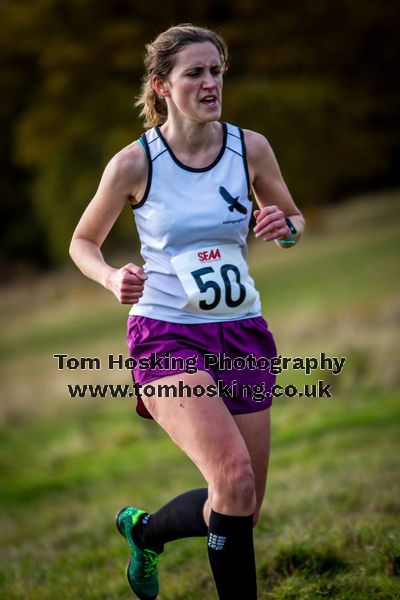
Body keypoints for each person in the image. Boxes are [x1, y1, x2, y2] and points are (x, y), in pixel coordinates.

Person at [70, 23, 304, 600]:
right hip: (167, 334)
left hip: (242, 332)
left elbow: (294, 218)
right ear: (162, 86)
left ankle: (145, 533)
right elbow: (82, 242)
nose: (210, 83)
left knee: (242, 508)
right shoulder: (133, 163)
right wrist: (110, 276)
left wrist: (285, 228)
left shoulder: (249, 147)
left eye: (216, 71)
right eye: (194, 73)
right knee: (233, 478)